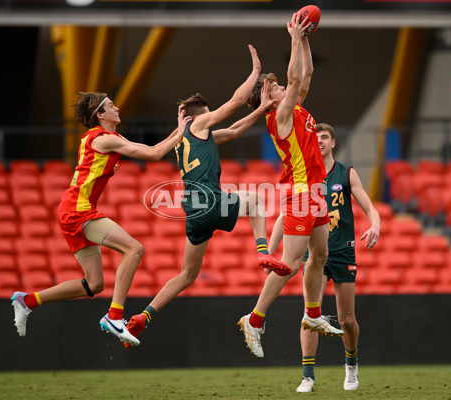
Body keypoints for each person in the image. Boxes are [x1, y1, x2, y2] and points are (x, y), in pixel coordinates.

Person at [125, 45, 291, 344]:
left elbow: (236, 129)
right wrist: (255, 72)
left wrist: (260, 110)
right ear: (197, 116)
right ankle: (263, 251)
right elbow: (234, 103)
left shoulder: (185, 140)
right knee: (255, 200)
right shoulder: (198, 124)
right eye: (208, 113)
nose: (212, 116)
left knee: (187, 275)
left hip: (194, 213)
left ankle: (143, 316)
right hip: (211, 201)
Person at [11, 92, 189, 348]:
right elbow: (153, 155)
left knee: (94, 284)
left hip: (72, 210)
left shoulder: (108, 138)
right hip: (78, 211)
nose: (117, 107)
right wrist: (182, 129)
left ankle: (27, 301)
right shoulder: (104, 139)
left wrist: (179, 129)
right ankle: (114, 316)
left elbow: (152, 150)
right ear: (100, 116)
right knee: (135, 249)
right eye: (110, 105)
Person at [237, 12, 344, 359]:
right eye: (277, 87)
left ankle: (313, 315)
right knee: (292, 262)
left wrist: (306, 37)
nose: (284, 87)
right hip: (301, 193)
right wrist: (295, 38)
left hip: (317, 190)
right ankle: (254, 319)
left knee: (321, 255)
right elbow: (295, 79)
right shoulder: (279, 115)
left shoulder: (294, 108)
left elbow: (305, 74)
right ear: (269, 98)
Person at [270, 123, 380, 392]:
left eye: (324, 137)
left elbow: (368, 205)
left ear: (333, 143)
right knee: (310, 314)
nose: (318, 141)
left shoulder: (347, 173)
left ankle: (351, 365)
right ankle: (308, 376)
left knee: (346, 320)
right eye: (315, 137)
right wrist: (270, 252)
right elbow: (285, 215)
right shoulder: (304, 176)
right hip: (316, 256)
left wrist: (375, 224)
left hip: (343, 252)